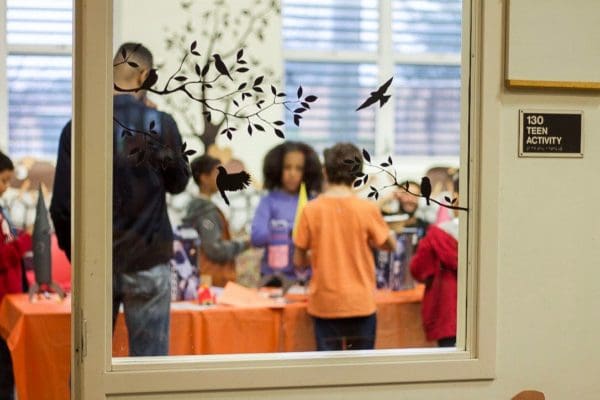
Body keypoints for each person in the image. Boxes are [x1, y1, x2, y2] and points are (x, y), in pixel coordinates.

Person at [50, 42, 190, 356]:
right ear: (145, 75)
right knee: (148, 371)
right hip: (149, 259)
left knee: (88, 365)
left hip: (97, 262)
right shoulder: (160, 124)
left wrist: (79, 259)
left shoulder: (78, 127)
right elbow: (179, 182)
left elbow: (61, 207)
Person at [293, 143, 395, 351]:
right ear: (358, 175)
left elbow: (298, 260)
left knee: (327, 375)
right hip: (361, 303)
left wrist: (320, 253)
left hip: (325, 304)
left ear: (325, 172)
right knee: (362, 375)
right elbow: (389, 245)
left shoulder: (310, 210)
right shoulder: (367, 209)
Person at [251, 141, 322, 285]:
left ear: (306, 171)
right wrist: (285, 231)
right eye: (287, 167)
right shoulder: (269, 201)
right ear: (277, 169)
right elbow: (256, 238)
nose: (292, 173)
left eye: (299, 168)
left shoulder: (314, 201)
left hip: (307, 278)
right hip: (274, 279)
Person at [182, 154, 249, 287]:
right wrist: (244, 244)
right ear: (204, 178)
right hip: (213, 280)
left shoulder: (195, 208)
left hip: (199, 276)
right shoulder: (206, 213)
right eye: (217, 174)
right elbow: (214, 248)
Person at [409, 174, 459, 347]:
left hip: (448, 316)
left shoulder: (436, 236)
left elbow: (418, 270)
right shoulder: (488, 235)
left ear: (457, 197)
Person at [0, 152, 32, 399]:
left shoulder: (2, 209)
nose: (6, 187)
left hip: (8, 302)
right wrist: (24, 242)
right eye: (3, 180)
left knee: (8, 370)